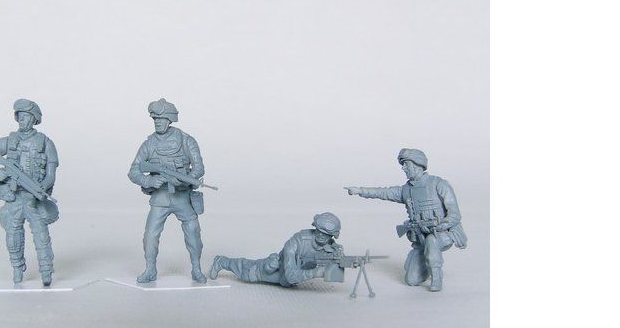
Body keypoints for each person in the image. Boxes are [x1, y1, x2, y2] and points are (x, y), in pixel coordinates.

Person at [345, 148, 466, 292]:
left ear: (417, 164)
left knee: (432, 240)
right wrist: (360, 190)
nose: (403, 168)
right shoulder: (406, 190)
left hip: (445, 233)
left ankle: (437, 278)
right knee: (411, 280)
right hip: (421, 237)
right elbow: (383, 192)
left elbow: (455, 215)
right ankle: (428, 262)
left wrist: (438, 226)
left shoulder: (439, 184)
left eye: (406, 164)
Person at [0, 99, 59, 286]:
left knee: (42, 238)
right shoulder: (9, 141)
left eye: (26, 116)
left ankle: (46, 271)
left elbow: (51, 175)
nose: (22, 119)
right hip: (14, 199)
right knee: (13, 237)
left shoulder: (45, 143)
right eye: (19, 116)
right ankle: (17, 268)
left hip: (33, 200)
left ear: (34, 119)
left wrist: (40, 189)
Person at [127, 98, 207, 283]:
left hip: (182, 198)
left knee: (193, 232)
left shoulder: (186, 140)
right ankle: (150, 270)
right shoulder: (149, 144)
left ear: (170, 120)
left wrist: (184, 179)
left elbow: (199, 168)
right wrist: (150, 180)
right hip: (160, 199)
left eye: (161, 119)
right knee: (150, 236)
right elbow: (133, 171)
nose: (158, 122)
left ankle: (196, 269)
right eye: (155, 119)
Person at [208, 212, 345, 288]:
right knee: (250, 272)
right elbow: (290, 276)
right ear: (315, 228)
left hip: (292, 278)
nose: (322, 236)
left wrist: (339, 259)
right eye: (319, 231)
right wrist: (317, 272)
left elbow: (336, 266)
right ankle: (221, 262)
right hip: (280, 269)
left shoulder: (331, 248)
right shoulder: (297, 241)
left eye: (326, 234)